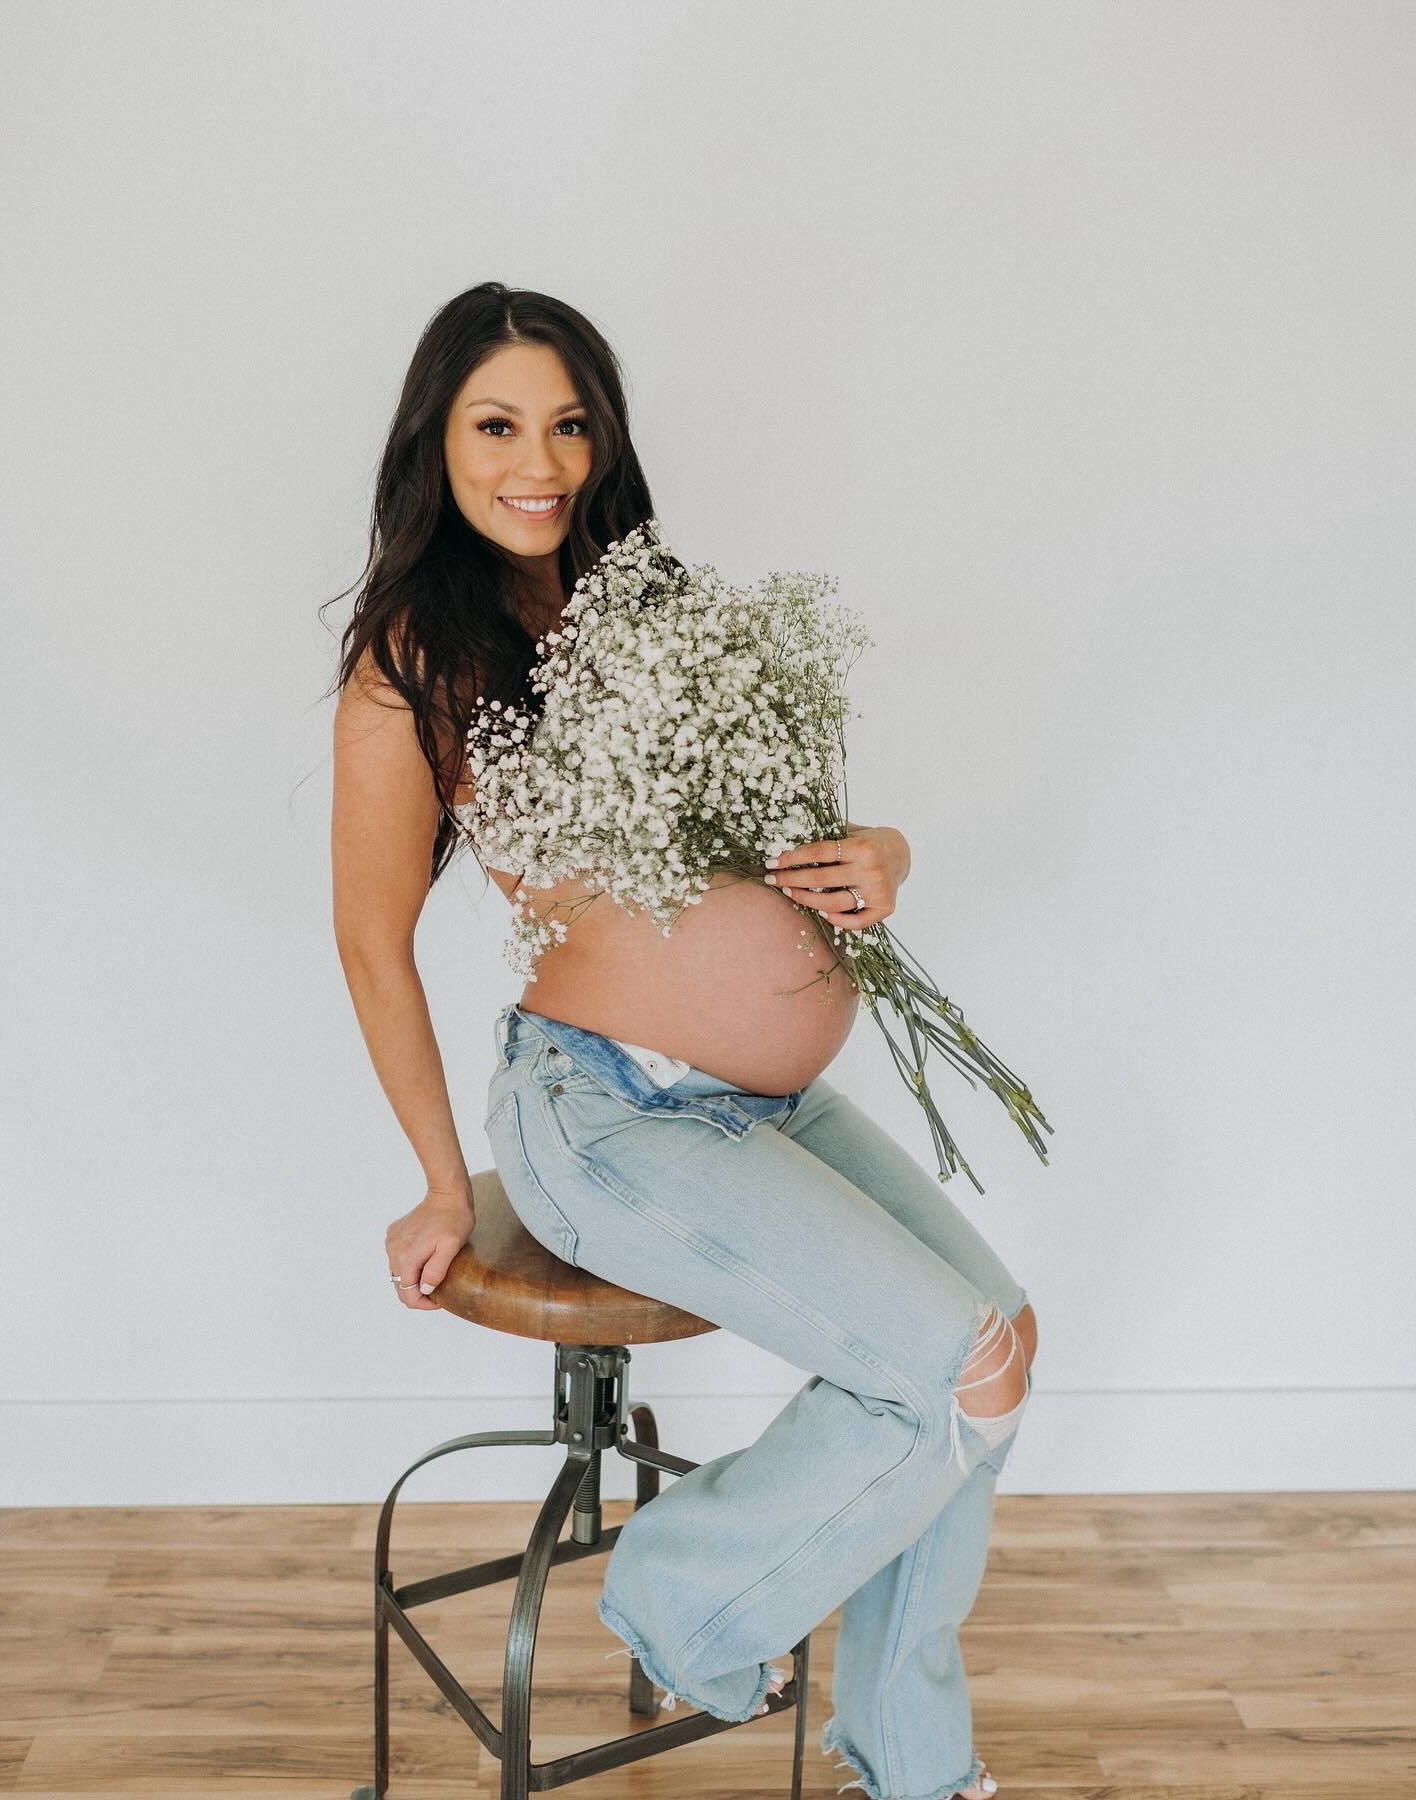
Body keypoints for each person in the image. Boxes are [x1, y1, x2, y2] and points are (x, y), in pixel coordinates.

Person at [328, 281, 1036, 1800]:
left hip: (757, 1109)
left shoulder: (648, 600)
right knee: (952, 1371)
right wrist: (444, 1184)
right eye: (499, 424)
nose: (542, 460)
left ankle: (917, 1771)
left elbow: (776, 828)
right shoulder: (412, 658)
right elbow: (369, 942)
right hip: (609, 1115)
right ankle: (677, 1599)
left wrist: (877, 851)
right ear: (434, 442)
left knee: (999, 1347)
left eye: (570, 423)